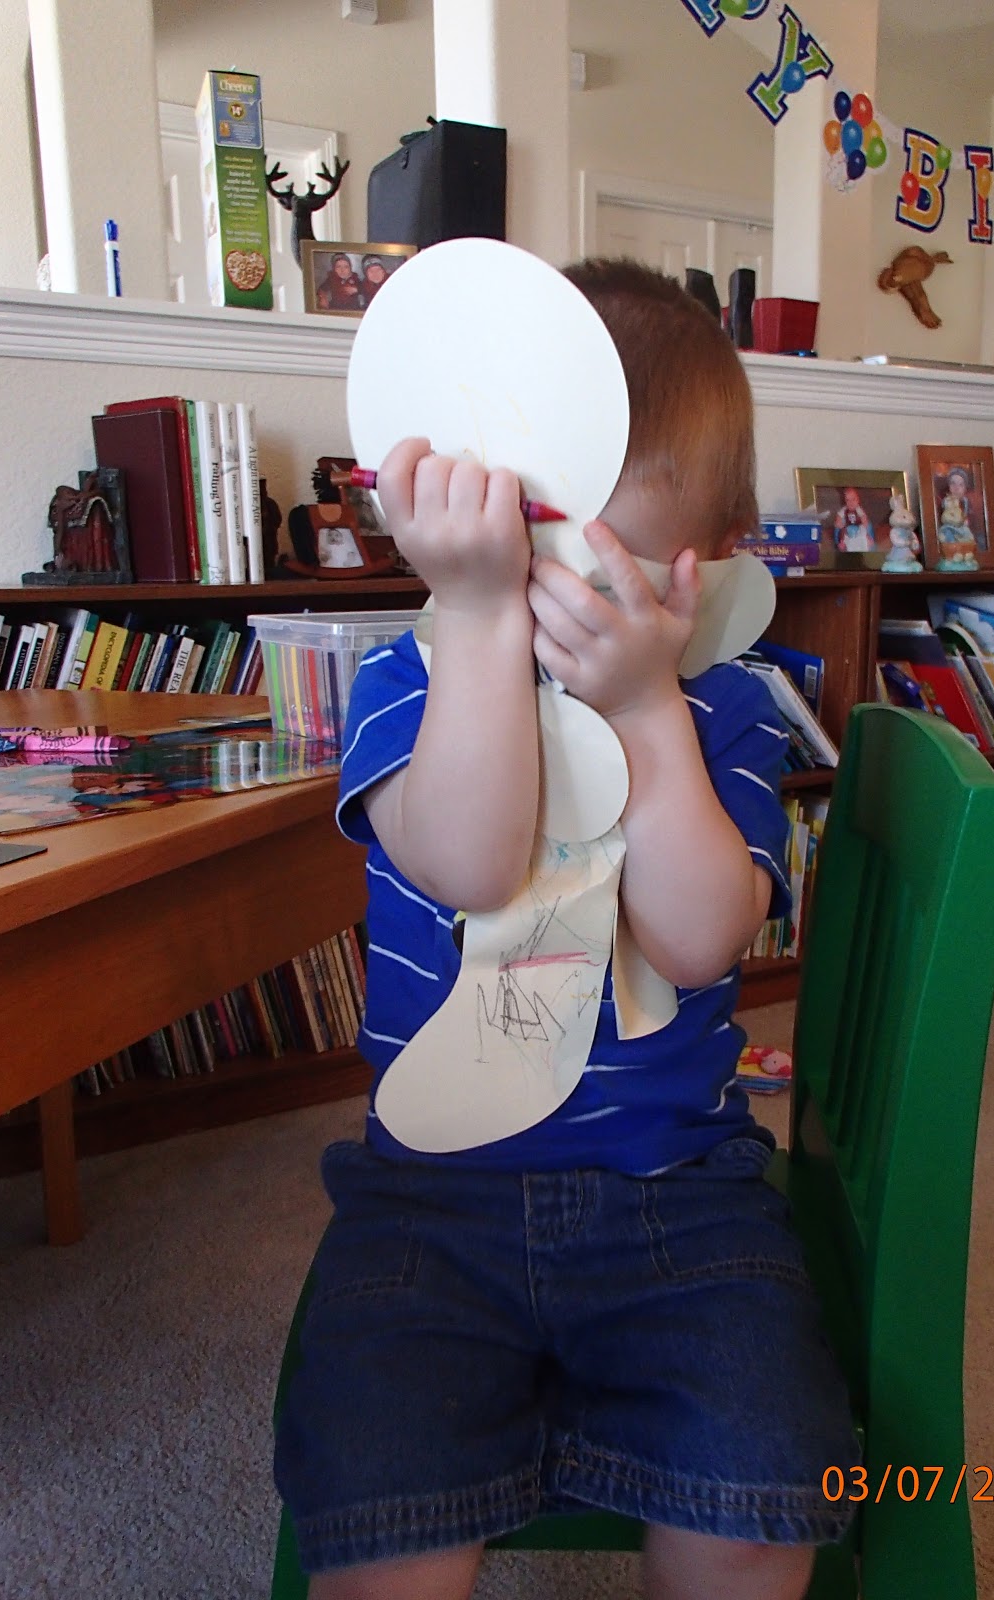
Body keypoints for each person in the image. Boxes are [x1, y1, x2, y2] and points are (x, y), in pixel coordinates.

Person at [273, 258, 858, 1600]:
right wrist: (480, 620)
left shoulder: (725, 710)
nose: (555, 610)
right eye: (519, 557)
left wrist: (647, 712)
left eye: (602, 574)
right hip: (433, 1198)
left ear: (708, 564)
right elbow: (473, 867)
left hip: (675, 1187)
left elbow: (699, 942)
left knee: (766, 1470)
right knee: (373, 1480)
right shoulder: (405, 682)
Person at [833, 484, 873, 551]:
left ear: (858, 500)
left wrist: (864, 521)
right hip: (847, 526)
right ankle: (843, 542)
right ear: (845, 501)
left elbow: (863, 516)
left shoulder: (858, 509)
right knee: (843, 531)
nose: (851, 502)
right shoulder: (844, 509)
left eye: (853, 499)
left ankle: (867, 539)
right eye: (848, 500)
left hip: (858, 525)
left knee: (863, 529)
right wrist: (838, 522)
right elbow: (839, 516)